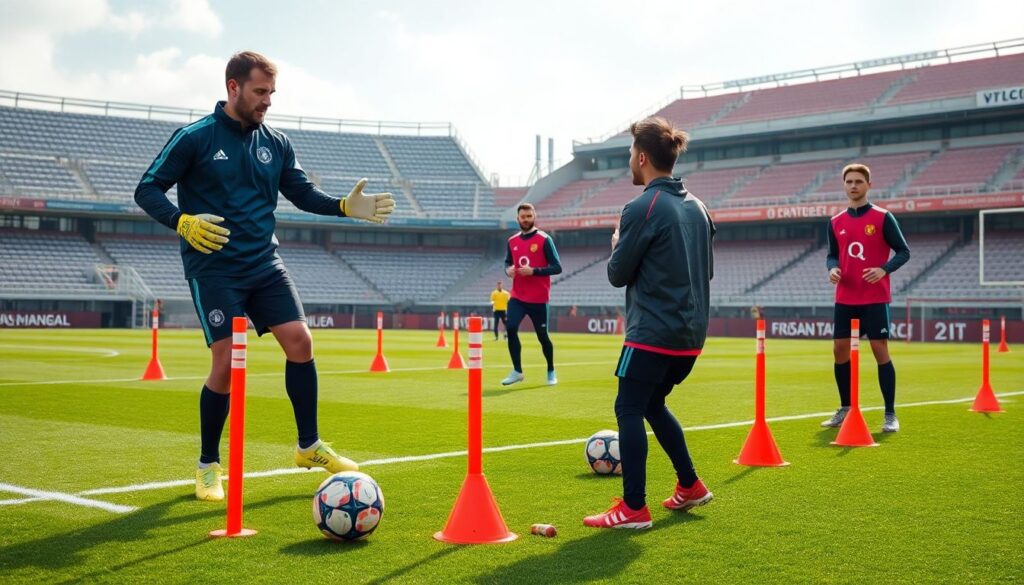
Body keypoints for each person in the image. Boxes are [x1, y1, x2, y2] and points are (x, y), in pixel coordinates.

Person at [134, 51, 395, 501]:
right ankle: (207, 466)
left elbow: (300, 192)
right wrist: (182, 222)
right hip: (214, 266)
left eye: (271, 93)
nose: (267, 101)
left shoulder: (276, 142)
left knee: (301, 341)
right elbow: (147, 189)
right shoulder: (194, 137)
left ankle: (308, 446)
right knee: (227, 363)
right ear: (233, 87)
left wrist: (342, 207)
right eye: (260, 92)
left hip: (264, 263)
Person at [584, 116, 715, 529]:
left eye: (629, 155)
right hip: (690, 335)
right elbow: (704, 272)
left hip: (652, 333)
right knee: (652, 404)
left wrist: (617, 245)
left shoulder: (643, 207)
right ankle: (690, 485)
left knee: (628, 407)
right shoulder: (699, 206)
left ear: (642, 157)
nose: (628, 162)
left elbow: (617, 273)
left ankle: (633, 508)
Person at [822, 163, 909, 433]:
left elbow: (903, 252)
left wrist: (884, 269)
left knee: (879, 350)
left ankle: (890, 414)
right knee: (839, 350)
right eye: (849, 181)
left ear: (869, 185)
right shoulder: (836, 222)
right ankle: (845, 407)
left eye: (859, 181)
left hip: (874, 297)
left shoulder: (883, 217)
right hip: (845, 296)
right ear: (844, 185)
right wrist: (832, 268)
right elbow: (832, 254)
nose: (853, 185)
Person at [501, 203, 562, 386]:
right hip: (518, 296)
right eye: (522, 217)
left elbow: (557, 267)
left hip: (539, 299)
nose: (526, 219)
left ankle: (551, 369)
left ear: (534, 216)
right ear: (517, 219)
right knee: (510, 328)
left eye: (529, 216)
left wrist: (534, 271)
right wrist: (508, 270)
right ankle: (517, 371)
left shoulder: (544, 239)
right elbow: (506, 262)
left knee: (542, 336)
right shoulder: (512, 241)